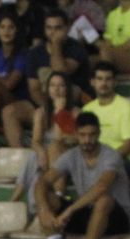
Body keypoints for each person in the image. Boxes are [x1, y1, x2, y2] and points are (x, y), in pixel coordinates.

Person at [35, 111, 130, 239]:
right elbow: (42, 182)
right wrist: (44, 208)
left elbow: (101, 187)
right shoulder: (71, 155)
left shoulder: (111, 156)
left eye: (92, 134)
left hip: (117, 217)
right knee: (45, 197)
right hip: (88, 212)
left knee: (104, 200)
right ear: (76, 134)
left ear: (99, 133)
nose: (87, 140)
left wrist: (69, 210)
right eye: (83, 135)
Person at [17, 68, 79, 201]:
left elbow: (59, 138)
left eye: (61, 85)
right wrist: (40, 152)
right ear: (47, 89)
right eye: (52, 85)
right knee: (34, 156)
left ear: (67, 89)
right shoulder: (40, 112)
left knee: (54, 147)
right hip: (46, 156)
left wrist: (59, 111)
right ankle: (17, 197)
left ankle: (58, 195)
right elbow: (35, 141)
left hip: (67, 153)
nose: (56, 89)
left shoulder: (76, 113)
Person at [0, 10, 35, 148]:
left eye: (11, 27)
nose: (6, 31)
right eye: (2, 27)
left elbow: (10, 84)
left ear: (17, 30)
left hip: (17, 101)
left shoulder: (23, 54)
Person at [81, 61, 130, 177]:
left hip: (126, 161)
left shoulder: (125, 107)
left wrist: (103, 160)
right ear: (92, 82)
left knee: (103, 169)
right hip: (97, 160)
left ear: (115, 82)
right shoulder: (87, 109)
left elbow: (129, 145)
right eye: (99, 79)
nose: (104, 83)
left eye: (108, 79)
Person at [30, 7, 95, 104]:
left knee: (70, 89)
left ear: (67, 28)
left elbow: (59, 71)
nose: (53, 33)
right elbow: (34, 89)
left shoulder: (76, 48)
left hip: (77, 102)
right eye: (49, 28)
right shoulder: (35, 53)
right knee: (11, 112)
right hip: (48, 102)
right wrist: (47, 108)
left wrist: (56, 43)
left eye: (58, 28)